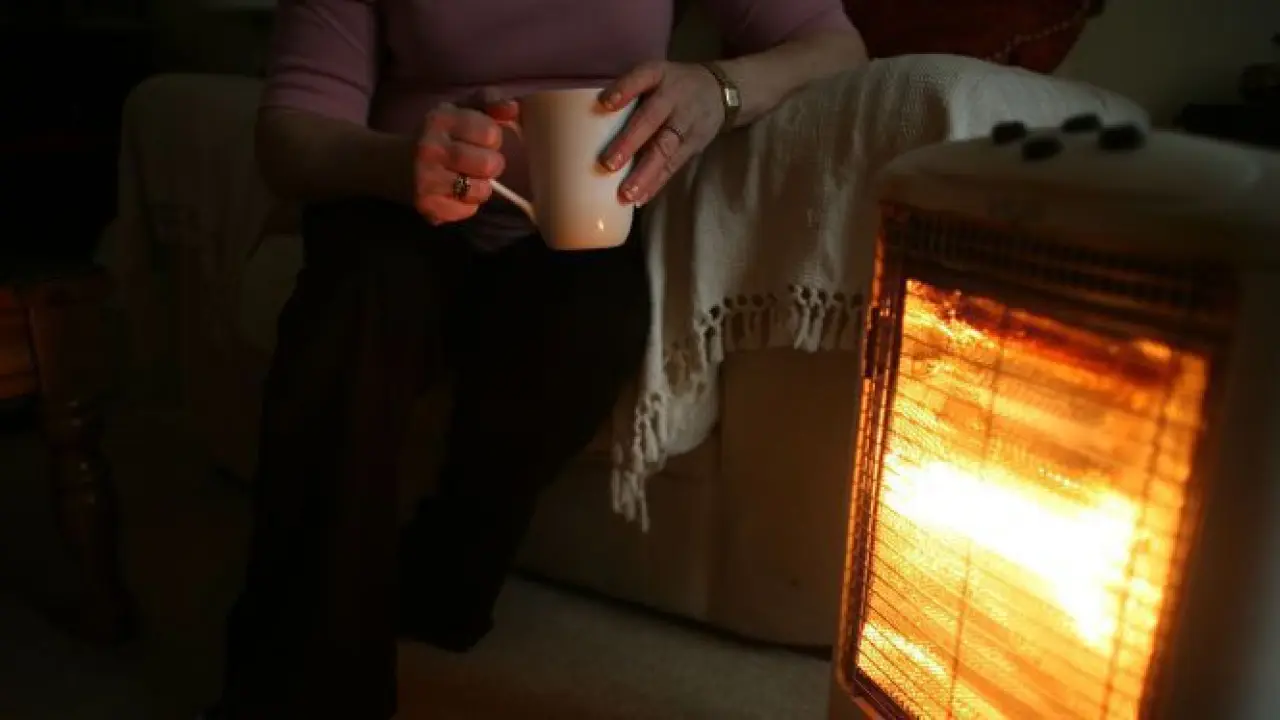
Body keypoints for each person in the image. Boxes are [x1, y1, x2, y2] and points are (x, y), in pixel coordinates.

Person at [209, 0, 866, 717]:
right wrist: (401, 164)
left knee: (596, 316)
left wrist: (720, 88)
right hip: (395, 205)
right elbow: (290, 130)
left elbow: (833, 46)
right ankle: (298, 688)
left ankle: (442, 565)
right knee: (361, 294)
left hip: (578, 225)